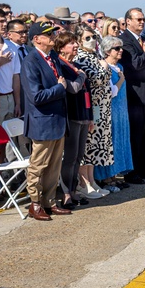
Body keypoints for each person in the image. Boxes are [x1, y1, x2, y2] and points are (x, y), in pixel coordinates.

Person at [21, 21, 77, 220]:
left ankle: (50, 201)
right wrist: (60, 89)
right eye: (48, 34)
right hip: (43, 121)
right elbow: (36, 96)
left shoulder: (52, 57)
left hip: (58, 119)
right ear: (37, 39)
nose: (53, 36)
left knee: (54, 166)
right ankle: (35, 203)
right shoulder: (31, 61)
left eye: (53, 32)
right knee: (39, 165)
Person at [74, 27, 121, 195]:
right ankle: (83, 183)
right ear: (79, 41)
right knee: (87, 147)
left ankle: (92, 181)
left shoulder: (95, 56)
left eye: (93, 37)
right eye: (87, 38)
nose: (92, 40)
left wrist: (103, 66)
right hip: (90, 107)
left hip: (102, 107)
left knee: (95, 147)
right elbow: (98, 79)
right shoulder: (80, 57)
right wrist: (104, 67)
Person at [56, 30, 96, 207]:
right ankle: (66, 192)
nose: (76, 46)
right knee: (70, 157)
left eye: (75, 42)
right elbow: (73, 88)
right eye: (71, 43)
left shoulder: (76, 64)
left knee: (79, 156)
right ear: (62, 48)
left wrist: (90, 117)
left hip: (83, 115)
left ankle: (74, 189)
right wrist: (81, 76)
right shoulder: (61, 65)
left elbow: (87, 92)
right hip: (71, 116)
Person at [119, 8, 145, 183]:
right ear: (128, 21)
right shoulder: (124, 41)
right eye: (138, 19)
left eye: (143, 19)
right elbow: (134, 65)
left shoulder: (142, 39)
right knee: (136, 135)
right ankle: (132, 171)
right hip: (135, 94)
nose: (142, 22)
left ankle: (144, 166)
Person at [95, 36, 134, 185]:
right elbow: (111, 91)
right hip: (109, 110)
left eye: (121, 47)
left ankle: (115, 175)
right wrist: (122, 79)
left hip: (121, 109)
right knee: (110, 142)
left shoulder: (120, 66)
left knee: (120, 140)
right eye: (116, 48)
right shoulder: (104, 66)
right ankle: (106, 176)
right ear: (107, 51)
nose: (120, 51)